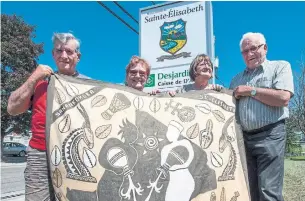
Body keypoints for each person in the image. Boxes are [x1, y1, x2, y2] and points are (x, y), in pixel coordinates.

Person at [7, 32, 88, 201]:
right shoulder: (40, 82)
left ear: (78, 56)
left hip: (75, 155)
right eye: (59, 51)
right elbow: (12, 108)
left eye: (69, 51)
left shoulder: (88, 86)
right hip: (39, 154)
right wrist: (34, 77)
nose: (64, 55)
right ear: (53, 54)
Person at [230, 32, 294, 201]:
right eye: (245, 51)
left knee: (268, 191)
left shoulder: (280, 67)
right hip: (243, 139)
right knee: (248, 190)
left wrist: (251, 91)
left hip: (270, 135)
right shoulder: (236, 79)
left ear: (265, 48)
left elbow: (283, 98)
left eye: (254, 48)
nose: (249, 53)